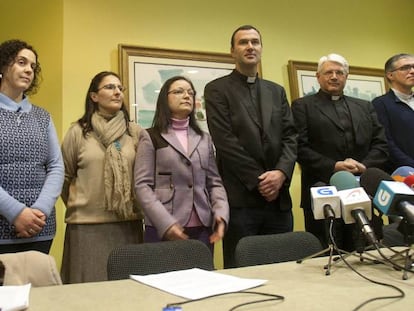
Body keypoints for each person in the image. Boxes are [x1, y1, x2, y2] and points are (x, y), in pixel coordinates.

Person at [204, 25, 297, 268]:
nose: (250, 46)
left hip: (279, 201)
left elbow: (290, 136)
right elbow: (224, 141)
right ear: (232, 51)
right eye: (243, 42)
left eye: (255, 42)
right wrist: (261, 181)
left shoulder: (276, 91)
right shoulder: (216, 89)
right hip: (241, 200)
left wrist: (281, 173)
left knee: (286, 270)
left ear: (261, 49)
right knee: (242, 273)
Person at [291, 53, 389, 251]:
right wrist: (334, 166)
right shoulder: (303, 106)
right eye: (328, 72)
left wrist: (364, 166)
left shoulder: (365, 106)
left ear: (346, 76)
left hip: (363, 191)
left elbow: (381, 145)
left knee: (368, 250)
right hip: (322, 189)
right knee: (328, 251)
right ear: (318, 77)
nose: (334, 76)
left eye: (339, 72)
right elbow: (299, 147)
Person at [61, 71, 143, 283]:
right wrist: (85, 204)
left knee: (127, 293)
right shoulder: (78, 132)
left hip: (128, 226)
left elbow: (143, 178)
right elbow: (64, 178)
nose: (117, 92)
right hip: (86, 228)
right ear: (94, 96)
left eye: (120, 88)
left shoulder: (135, 132)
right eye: (109, 87)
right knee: (86, 294)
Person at [134, 76, 229, 252]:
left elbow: (214, 182)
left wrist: (221, 214)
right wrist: (165, 223)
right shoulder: (151, 136)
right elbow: (142, 186)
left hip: (202, 227)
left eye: (190, 93)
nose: (186, 96)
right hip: (164, 227)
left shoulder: (203, 138)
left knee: (201, 278)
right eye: (179, 91)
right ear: (164, 98)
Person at [0, 39, 64, 254]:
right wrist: (16, 213)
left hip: (39, 228)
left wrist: (38, 211)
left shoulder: (43, 117)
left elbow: (56, 166)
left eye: (33, 66)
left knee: (39, 288)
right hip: (3, 229)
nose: (28, 70)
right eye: (21, 62)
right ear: (3, 66)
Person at [372, 53, 414, 173]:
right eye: (405, 67)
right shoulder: (380, 104)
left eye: (413, 67)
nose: (412, 71)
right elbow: (387, 143)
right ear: (390, 75)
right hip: (403, 173)